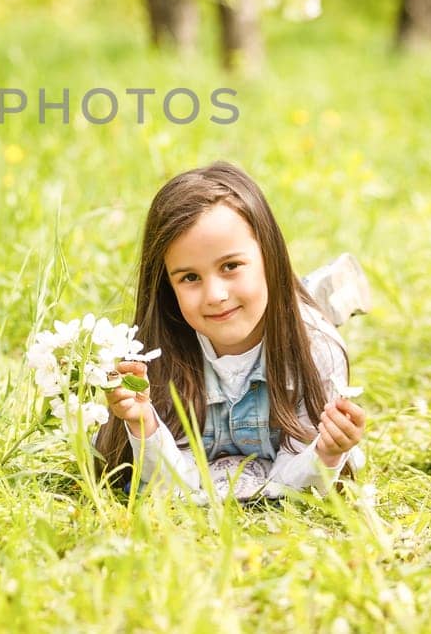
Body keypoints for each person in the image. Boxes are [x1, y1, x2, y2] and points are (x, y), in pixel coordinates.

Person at [94, 161, 371, 502]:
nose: (215, 295)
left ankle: (319, 292)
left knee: (306, 314)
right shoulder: (154, 357)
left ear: (270, 256)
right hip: (253, 311)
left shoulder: (317, 350)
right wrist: (143, 425)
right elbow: (176, 484)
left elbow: (293, 479)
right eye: (190, 278)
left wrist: (327, 454)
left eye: (230, 266)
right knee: (256, 302)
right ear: (167, 286)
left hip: (294, 326)